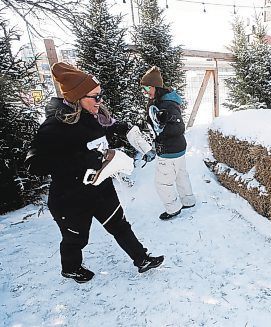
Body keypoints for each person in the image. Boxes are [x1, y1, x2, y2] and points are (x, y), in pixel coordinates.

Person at [25, 63, 164, 283]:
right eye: (95, 97)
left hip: (100, 188)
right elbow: (34, 164)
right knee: (76, 239)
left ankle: (141, 259)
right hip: (70, 197)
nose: (100, 101)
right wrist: (80, 160)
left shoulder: (94, 117)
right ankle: (70, 268)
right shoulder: (54, 126)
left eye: (101, 95)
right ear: (77, 97)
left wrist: (125, 129)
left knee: (119, 224)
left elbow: (109, 127)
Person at [141, 66, 196, 220]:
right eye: (143, 88)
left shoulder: (167, 104)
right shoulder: (160, 101)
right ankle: (188, 200)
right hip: (177, 149)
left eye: (147, 87)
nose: (145, 91)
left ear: (155, 86)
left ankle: (173, 208)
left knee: (162, 183)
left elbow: (179, 127)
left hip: (170, 150)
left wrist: (161, 129)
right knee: (180, 175)